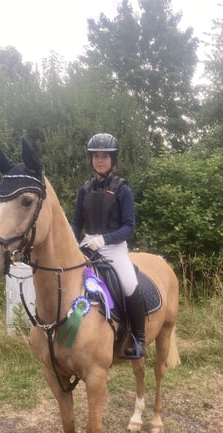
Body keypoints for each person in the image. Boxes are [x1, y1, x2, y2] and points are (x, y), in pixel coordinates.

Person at [71, 133, 146, 359]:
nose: (100, 160)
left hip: (113, 247)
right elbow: (76, 223)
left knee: (129, 284)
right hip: (87, 245)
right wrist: (72, 240)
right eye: (95, 156)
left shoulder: (123, 189)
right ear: (91, 159)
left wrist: (104, 240)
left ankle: (138, 339)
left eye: (104, 156)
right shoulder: (84, 189)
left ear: (113, 159)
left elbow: (129, 227)